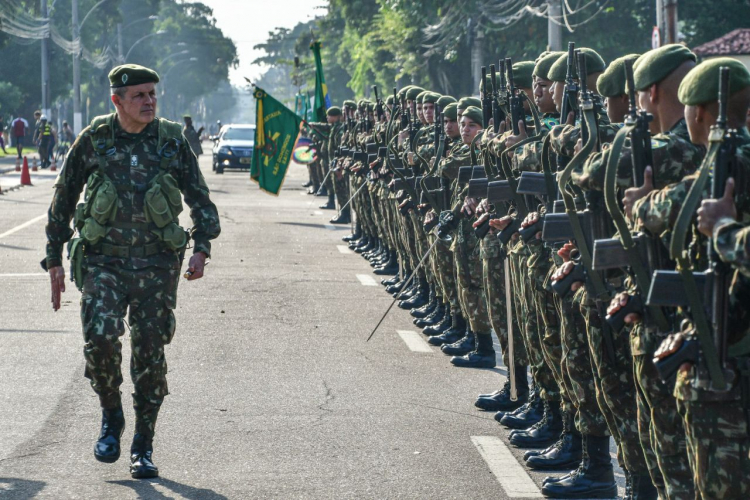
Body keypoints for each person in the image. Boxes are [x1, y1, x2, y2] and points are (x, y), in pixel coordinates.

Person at [43, 64, 220, 479]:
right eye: (138, 95)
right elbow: (63, 198)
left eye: (152, 94)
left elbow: (201, 201)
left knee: (149, 355)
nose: (148, 101)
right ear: (116, 100)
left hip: (157, 265)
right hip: (104, 261)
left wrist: (201, 250)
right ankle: (111, 415)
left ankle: (143, 444)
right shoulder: (95, 141)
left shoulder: (172, 142)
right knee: (100, 338)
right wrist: (53, 258)